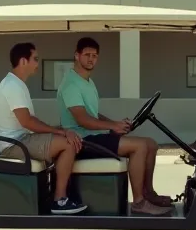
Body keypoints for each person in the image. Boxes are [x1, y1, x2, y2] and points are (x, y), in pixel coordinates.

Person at [56, 37, 173, 216]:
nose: (90, 59)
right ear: (77, 56)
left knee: (151, 143)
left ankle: (148, 193)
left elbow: (93, 115)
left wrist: (115, 124)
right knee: (139, 147)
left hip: (91, 137)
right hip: (82, 141)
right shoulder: (71, 84)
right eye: (86, 55)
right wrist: (112, 125)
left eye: (94, 55)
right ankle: (139, 203)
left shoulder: (87, 81)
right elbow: (82, 119)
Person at [0, 42, 88, 215]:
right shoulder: (12, 86)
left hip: (20, 139)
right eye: (35, 59)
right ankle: (59, 200)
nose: (37, 63)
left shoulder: (16, 83)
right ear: (23, 61)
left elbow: (28, 122)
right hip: (12, 145)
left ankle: (56, 192)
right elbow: (27, 122)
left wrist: (58, 129)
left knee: (64, 134)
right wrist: (60, 131)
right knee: (68, 143)